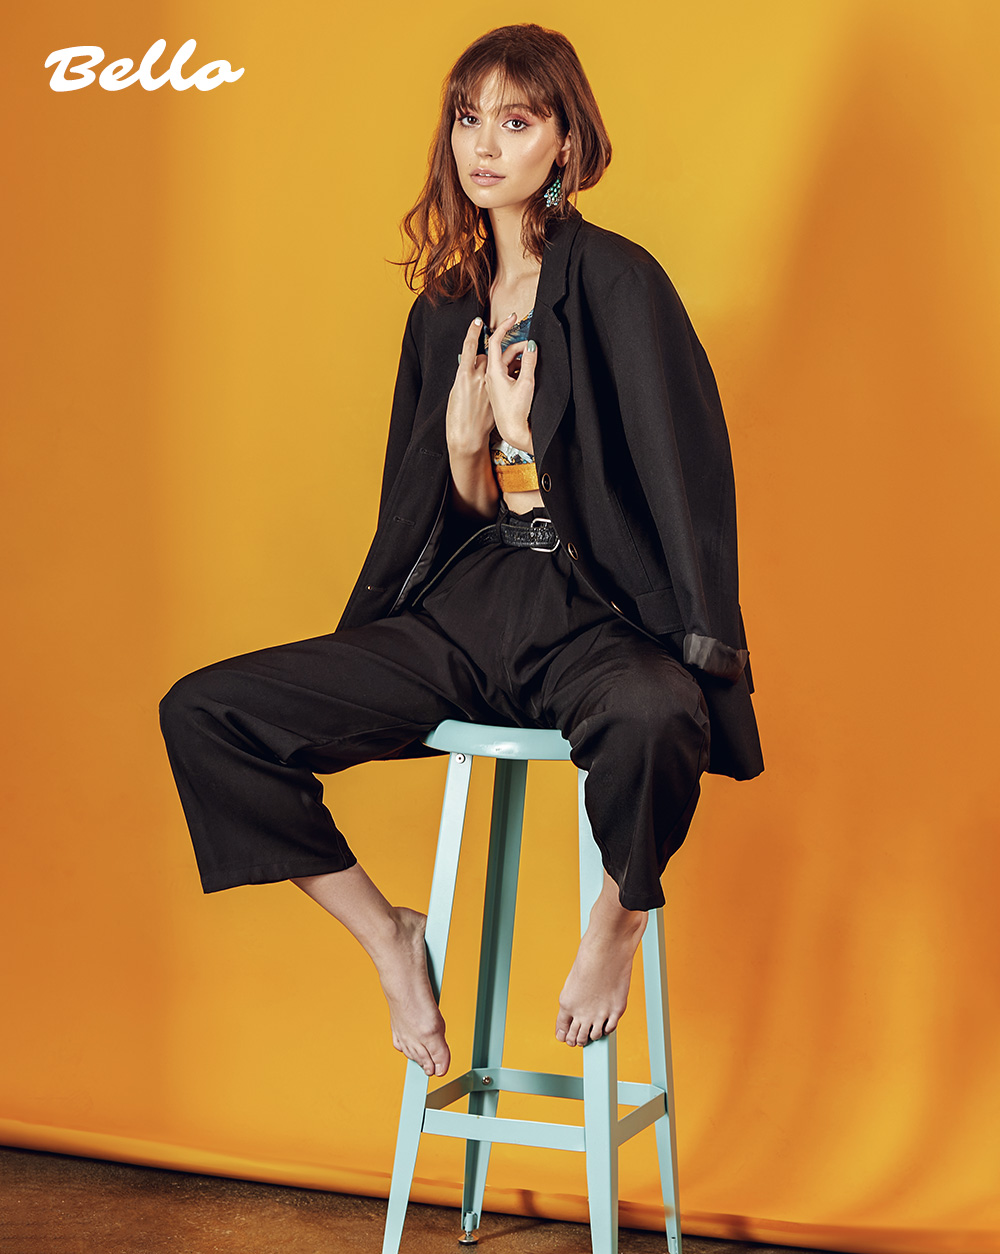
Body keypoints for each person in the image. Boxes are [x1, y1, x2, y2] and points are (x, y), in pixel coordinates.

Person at [159, 23, 763, 1082]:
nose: (484, 145)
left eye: (516, 122)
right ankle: (387, 938)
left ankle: (619, 919)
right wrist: (463, 449)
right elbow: (457, 514)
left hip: (596, 612)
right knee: (206, 713)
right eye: (467, 118)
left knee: (656, 715)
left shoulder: (621, 283)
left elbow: (681, 481)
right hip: (474, 605)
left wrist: (532, 440)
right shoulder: (445, 308)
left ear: (565, 143)